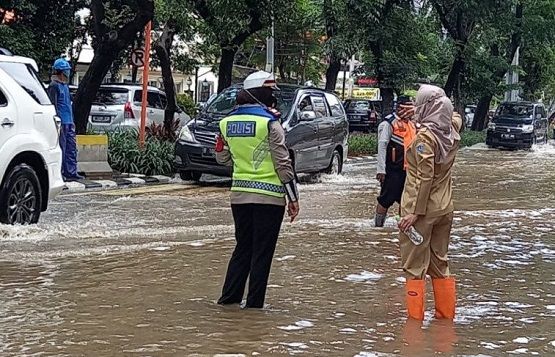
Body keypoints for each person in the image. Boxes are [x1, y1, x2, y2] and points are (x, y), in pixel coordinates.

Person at [215, 71, 300, 309]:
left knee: (242, 247)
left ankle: (229, 300)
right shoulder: (270, 122)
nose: (273, 96)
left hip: (239, 196)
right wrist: (293, 197)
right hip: (270, 197)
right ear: (262, 94)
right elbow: (283, 163)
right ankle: (253, 307)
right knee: (262, 252)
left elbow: (221, 158)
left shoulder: (225, 122)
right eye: (270, 92)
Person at [397, 85, 462, 321]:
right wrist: (439, 102)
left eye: (419, 103)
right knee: (440, 263)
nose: (416, 107)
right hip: (445, 208)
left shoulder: (426, 137)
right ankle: (445, 321)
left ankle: (414, 327)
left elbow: (425, 176)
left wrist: (414, 213)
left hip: (423, 211)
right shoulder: (451, 129)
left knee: (414, 266)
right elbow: (455, 116)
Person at [374, 96, 416, 227]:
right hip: (392, 170)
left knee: (405, 200)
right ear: (399, 108)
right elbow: (382, 146)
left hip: (408, 170)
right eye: (407, 107)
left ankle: (402, 227)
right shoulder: (388, 123)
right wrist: (381, 170)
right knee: (385, 199)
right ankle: (378, 227)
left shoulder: (411, 124)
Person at [47, 58, 83, 181]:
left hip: (69, 121)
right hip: (61, 122)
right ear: (61, 72)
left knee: (71, 149)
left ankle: (71, 172)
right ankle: (61, 173)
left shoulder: (65, 86)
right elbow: (54, 105)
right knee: (62, 148)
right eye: (66, 70)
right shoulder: (54, 86)